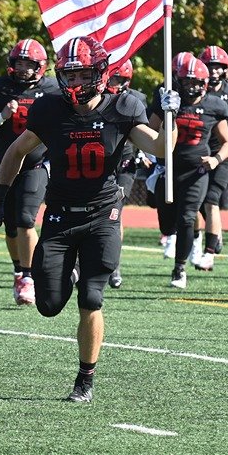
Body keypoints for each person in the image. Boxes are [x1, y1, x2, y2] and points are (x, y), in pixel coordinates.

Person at [0, 35, 177, 403]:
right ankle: (66, 274)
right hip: (58, 215)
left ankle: (84, 380)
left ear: (100, 73)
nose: (73, 84)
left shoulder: (123, 107)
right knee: (48, 305)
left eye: (81, 75)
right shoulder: (50, 108)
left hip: (103, 215)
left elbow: (161, 147)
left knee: (91, 297)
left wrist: (170, 116)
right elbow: (16, 150)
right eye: (68, 76)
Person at [0, 39, 57, 305]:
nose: (22, 69)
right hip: (6, 165)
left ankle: (28, 277)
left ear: (40, 67)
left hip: (36, 164)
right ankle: (18, 269)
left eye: (28, 64)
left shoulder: (53, 89)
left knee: (25, 219)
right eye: (19, 63)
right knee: (9, 226)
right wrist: (1, 117)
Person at [149, 53, 228, 289]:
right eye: (188, 82)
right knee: (166, 220)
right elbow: (150, 131)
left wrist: (216, 160)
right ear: (179, 81)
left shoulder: (215, 105)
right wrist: (167, 115)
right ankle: (175, 243)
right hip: (168, 168)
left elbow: (227, 142)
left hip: (196, 171)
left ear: (205, 83)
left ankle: (179, 269)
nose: (192, 87)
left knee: (187, 217)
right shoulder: (168, 99)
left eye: (197, 82)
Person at [194, 45, 228, 271]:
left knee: (211, 200)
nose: (214, 71)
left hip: (223, 152)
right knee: (196, 202)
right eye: (209, 66)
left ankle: (208, 253)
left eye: (218, 67)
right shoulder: (196, 90)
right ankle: (212, 236)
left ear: (226, 69)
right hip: (198, 152)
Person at [104, 59, 145, 289]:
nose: (113, 83)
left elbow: (143, 130)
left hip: (126, 159)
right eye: (110, 77)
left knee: (115, 211)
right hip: (103, 159)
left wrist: (145, 152)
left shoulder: (135, 99)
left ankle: (114, 264)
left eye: (118, 79)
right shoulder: (96, 97)